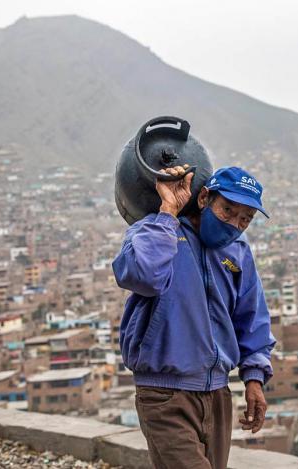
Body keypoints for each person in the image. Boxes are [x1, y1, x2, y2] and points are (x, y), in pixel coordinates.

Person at [112, 164, 276, 469]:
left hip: (217, 394)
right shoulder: (154, 231)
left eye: (245, 219)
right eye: (227, 210)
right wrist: (168, 213)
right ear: (204, 199)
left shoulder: (238, 253)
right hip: (165, 394)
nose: (234, 223)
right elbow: (142, 276)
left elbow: (251, 319)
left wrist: (254, 379)